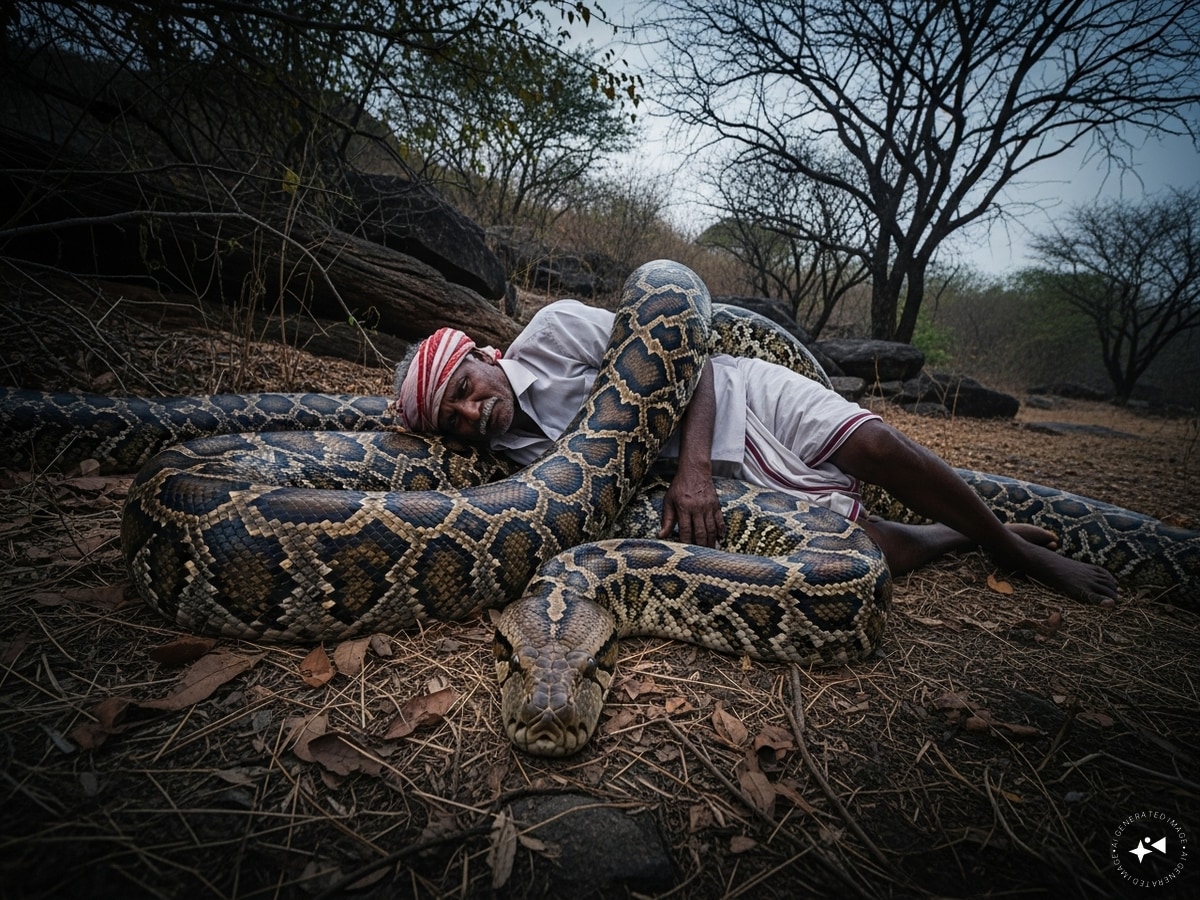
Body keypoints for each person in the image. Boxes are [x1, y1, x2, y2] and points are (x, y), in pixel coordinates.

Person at [390, 297, 1119, 607]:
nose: (468, 412)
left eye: (463, 386)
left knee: (876, 442)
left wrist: (696, 466)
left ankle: (1016, 552)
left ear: (483, 354)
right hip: (708, 479)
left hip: (739, 398)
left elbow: (692, 356)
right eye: (450, 419)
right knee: (861, 550)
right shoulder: (516, 462)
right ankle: (959, 536)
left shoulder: (552, 333)